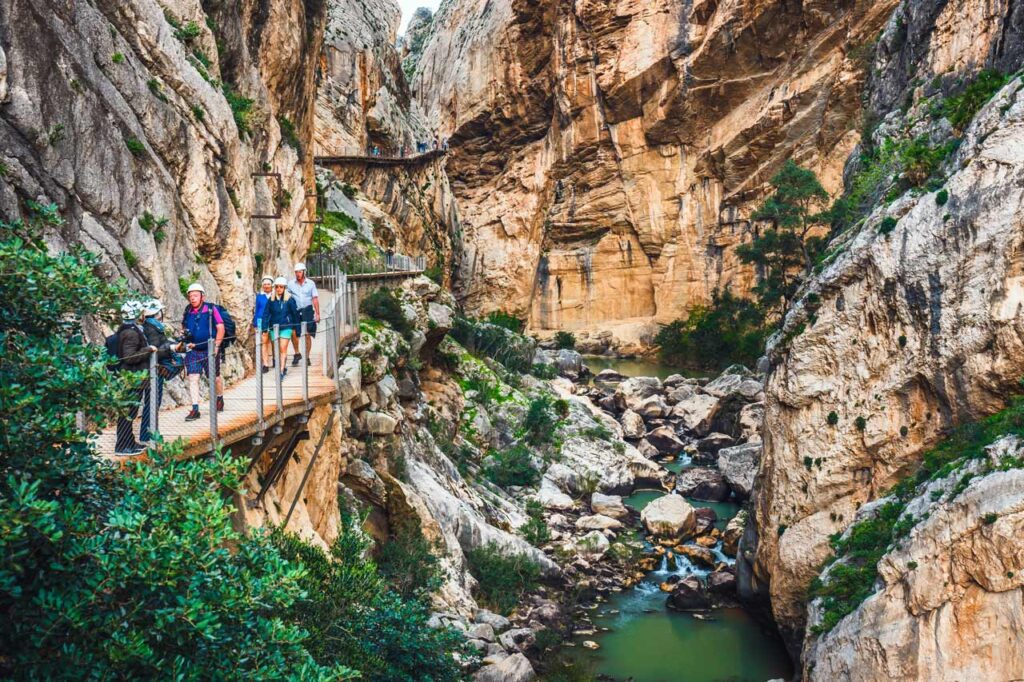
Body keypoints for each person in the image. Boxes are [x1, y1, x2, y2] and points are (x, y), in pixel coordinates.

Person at [114, 300, 157, 454]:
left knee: (130, 412)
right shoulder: (131, 333)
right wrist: (148, 349)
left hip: (131, 377)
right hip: (133, 378)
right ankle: (122, 446)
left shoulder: (125, 329)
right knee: (128, 413)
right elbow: (129, 357)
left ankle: (129, 442)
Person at [139, 298, 182, 443]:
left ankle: (149, 434)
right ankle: (149, 435)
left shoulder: (150, 326)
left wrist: (173, 345)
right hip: (155, 370)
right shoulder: (153, 328)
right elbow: (157, 350)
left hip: (152, 369)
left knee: (151, 402)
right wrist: (172, 348)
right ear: (157, 313)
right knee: (152, 402)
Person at [181, 282, 225, 421]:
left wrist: (217, 346)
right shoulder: (188, 311)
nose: (192, 298)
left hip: (210, 349)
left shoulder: (211, 310)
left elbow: (221, 327)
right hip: (193, 350)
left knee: (215, 377)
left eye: (195, 295)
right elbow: (183, 328)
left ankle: (219, 398)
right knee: (193, 378)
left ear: (202, 296)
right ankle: (195, 409)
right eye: (190, 296)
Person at [261, 277, 299, 380]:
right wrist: (264, 328)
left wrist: (297, 329)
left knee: (283, 348)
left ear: (284, 288)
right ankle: (283, 367)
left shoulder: (290, 299)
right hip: (274, 328)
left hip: (286, 327)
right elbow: (265, 314)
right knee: (277, 349)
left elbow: (295, 314)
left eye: (281, 287)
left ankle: (281, 371)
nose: (278, 289)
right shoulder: (271, 300)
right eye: (277, 287)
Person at [287, 262, 319, 367]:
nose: (298, 274)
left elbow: (315, 298)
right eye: (296, 272)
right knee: (294, 332)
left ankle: (307, 357)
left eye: (300, 272)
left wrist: (317, 314)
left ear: (304, 272)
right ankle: (297, 353)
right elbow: (286, 297)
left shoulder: (311, 284)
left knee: (307, 334)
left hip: (308, 310)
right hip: (296, 310)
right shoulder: (290, 284)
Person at [253, 276, 274, 374]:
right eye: (264, 284)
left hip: (273, 320)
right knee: (264, 342)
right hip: (261, 320)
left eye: (268, 284)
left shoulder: (275, 295)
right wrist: (255, 324)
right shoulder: (259, 296)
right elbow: (257, 310)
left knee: (274, 340)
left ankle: (275, 360)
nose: (266, 286)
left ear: (272, 285)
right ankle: (265, 364)